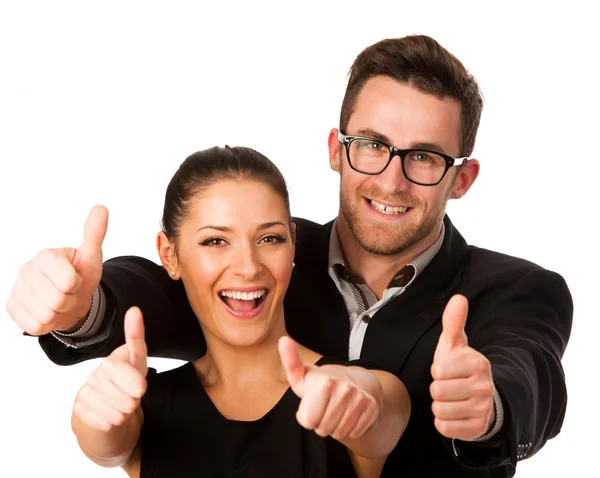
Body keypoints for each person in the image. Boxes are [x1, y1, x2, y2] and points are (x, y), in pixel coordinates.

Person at [7, 35, 573, 477]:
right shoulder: (276, 259)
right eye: (373, 145)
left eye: (423, 157)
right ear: (336, 149)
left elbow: (529, 371)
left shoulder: (518, 290)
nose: (392, 180)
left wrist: (490, 406)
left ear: (463, 178)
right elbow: (168, 289)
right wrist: (83, 306)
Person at [70, 146, 410, 478]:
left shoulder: (363, 389)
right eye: (216, 241)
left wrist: (362, 404)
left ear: (293, 243)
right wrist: (94, 415)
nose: (248, 268)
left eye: (270, 239)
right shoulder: (147, 407)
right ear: (169, 254)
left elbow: (380, 415)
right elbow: (107, 446)